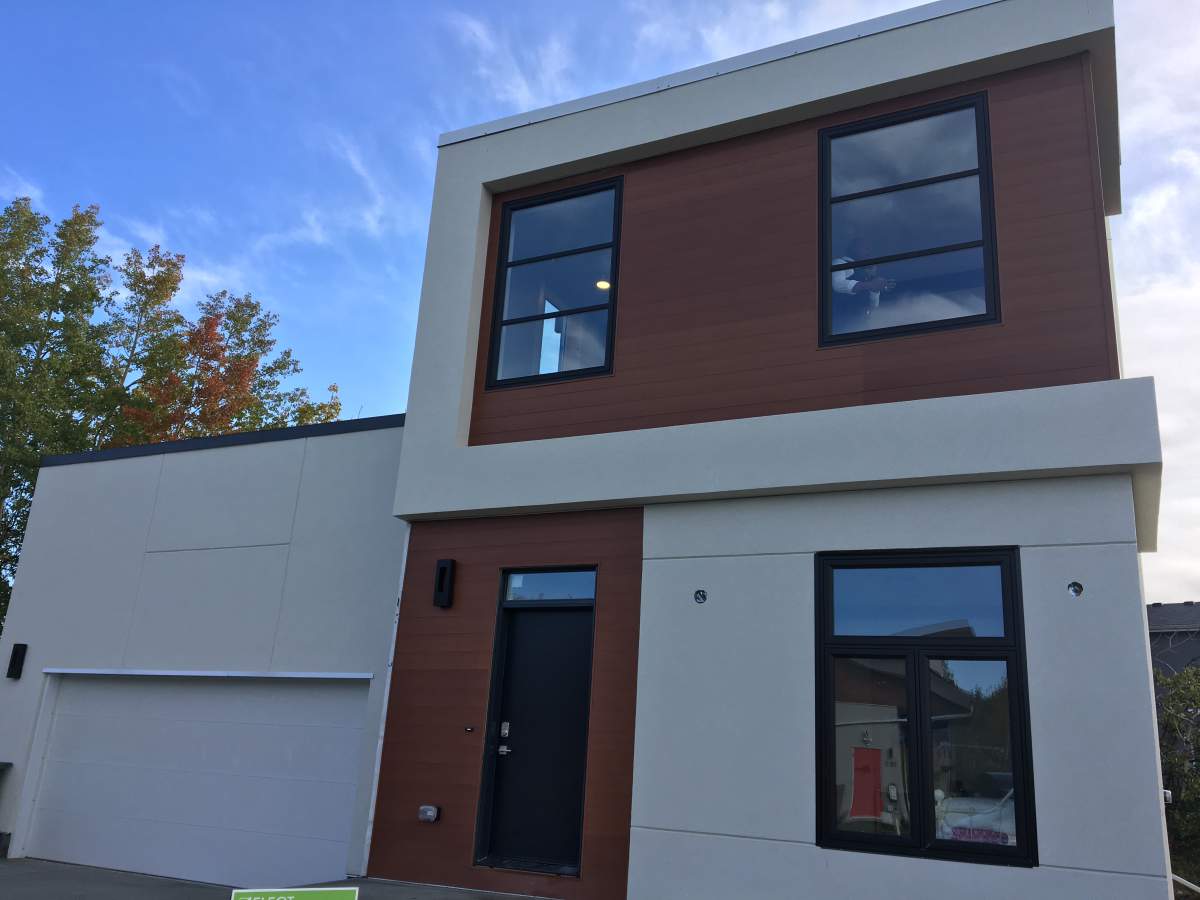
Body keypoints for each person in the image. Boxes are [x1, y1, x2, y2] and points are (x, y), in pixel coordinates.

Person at [832, 238, 896, 329]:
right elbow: (838, 285)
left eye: (868, 248)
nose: (868, 251)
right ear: (853, 248)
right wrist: (870, 284)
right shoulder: (839, 262)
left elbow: (873, 307)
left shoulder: (866, 272)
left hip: (859, 324)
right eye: (864, 247)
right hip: (839, 320)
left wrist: (876, 288)